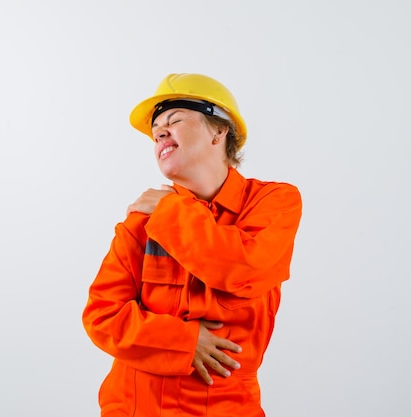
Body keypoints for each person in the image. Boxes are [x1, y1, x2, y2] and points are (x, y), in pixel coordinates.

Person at [82, 73, 302, 417]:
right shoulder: (141, 222)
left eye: (175, 120)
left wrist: (169, 210)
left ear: (219, 130)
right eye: (156, 132)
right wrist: (184, 342)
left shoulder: (273, 202)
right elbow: (102, 316)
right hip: (135, 407)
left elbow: (244, 266)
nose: (160, 134)